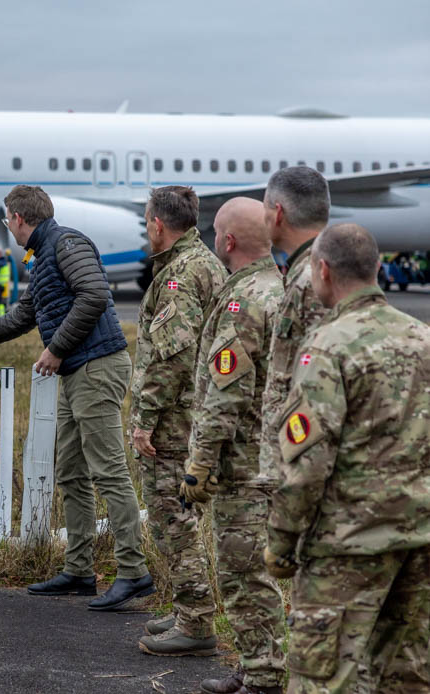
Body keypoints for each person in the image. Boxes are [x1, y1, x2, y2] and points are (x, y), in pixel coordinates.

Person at [0, 185, 153, 611]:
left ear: (20, 219)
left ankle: (133, 572)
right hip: (79, 369)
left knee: (109, 472)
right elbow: (23, 316)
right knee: (72, 473)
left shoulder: (67, 243)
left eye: (8, 220)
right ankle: (79, 570)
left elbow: (95, 296)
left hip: (96, 366)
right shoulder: (43, 257)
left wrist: (56, 348)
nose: (8, 227)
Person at [264, 224, 430, 693]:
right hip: (420, 539)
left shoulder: (327, 346)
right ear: (378, 268)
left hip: (348, 544)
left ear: (322, 271)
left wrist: (280, 543)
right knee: (407, 678)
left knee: (321, 678)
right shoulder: (424, 338)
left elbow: (307, 466)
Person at [178, 198, 286, 694]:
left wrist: (199, 464)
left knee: (242, 572)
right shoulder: (276, 287)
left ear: (227, 241)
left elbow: (227, 392)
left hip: (244, 463)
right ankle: (256, 664)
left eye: (215, 231)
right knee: (250, 570)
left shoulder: (245, 301)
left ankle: (264, 675)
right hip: (270, 455)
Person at [131, 186, 226, 656]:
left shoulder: (180, 276)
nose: (145, 229)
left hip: (173, 422)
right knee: (181, 519)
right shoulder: (199, 263)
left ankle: (197, 624)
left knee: (174, 521)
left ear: (157, 224)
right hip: (190, 415)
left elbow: (172, 356)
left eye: (146, 221)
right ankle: (190, 608)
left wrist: (145, 419)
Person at [257, 167, 330, 483]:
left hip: (302, 464)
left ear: (278, 214)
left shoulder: (311, 280)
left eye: (264, 209)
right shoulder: (313, 272)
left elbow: (318, 383)